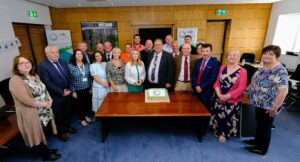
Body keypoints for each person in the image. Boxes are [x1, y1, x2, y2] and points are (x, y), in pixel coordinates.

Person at [9, 55, 61, 161]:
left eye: (28, 62)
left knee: (44, 131)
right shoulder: (15, 80)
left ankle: (46, 149)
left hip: (44, 110)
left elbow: (44, 90)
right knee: (38, 133)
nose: (26, 64)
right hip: (32, 113)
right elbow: (26, 100)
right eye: (22, 63)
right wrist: (44, 104)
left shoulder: (35, 75)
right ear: (16, 66)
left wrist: (50, 100)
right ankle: (45, 155)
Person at [244, 45, 288, 156]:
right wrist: (247, 89)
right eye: (265, 53)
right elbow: (255, 80)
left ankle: (261, 149)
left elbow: (283, 91)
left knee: (266, 127)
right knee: (259, 123)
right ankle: (256, 141)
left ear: (276, 56)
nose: (267, 56)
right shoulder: (264, 66)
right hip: (259, 102)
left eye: (271, 54)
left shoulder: (280, 70)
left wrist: (275, 107)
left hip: (270, 105)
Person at [38, 45, 78, 142]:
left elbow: (70, 76)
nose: (56, 54)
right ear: (47, 54)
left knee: (67, 112)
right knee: (58, 116)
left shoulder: (63, 62)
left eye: (57, 52)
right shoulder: (43, 66)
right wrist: (61, 92)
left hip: (67, 93)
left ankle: (68, 127)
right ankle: (61, 133)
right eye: (53, 52)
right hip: (56, 96)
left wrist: (70, 89)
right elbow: (47, 82)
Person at [210, 49, 247, 143]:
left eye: (235, 55)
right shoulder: (222, 67)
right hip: (219, 95)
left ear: (238, 58)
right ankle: (217, 129)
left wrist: (226, 96)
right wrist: (219, 94)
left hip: (232, 99)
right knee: (218, 114)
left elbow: (241, 88)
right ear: (226, 57)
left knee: (227, 117)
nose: (232, 57)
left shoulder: (243, 71)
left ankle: (224, 134)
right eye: (230, 55)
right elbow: (216, 83)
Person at [68, 49, 92, 127]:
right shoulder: (71, 66)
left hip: (87, 88)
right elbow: (70, 79)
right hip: (77, 89)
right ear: (74, 56)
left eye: (81, 54)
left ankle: (84, 116)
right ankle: (81, 119)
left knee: (86, 103)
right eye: (77, 54)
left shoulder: (86, 64)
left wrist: (91, 88)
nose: (79, 55)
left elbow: (89, 77)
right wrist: (73, 91)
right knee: (79, 105)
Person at [192, 43, 220, 108]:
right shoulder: (198, 61)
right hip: (196, 90)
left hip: (206, 91)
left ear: (211, 52)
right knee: (194, 108)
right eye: (203, 51)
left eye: (207, 51)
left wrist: (202, 87)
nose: (204, 53)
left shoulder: (215, 62)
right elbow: (194, 75)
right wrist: (196, 86)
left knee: (204, 110)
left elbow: (213, 78)